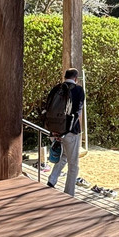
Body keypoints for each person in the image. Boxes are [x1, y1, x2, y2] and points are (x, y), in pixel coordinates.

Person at [46, 68, 85, 196]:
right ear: (76, 78)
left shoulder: (56, 89)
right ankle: (69, 193)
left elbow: (47, 109)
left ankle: (52, 180)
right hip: (70, 132)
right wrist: (70, 130)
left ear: (65, 76)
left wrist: (54, 131)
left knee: (63, 156)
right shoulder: (78, 90)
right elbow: (77, 112)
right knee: (73, 165)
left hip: (54, 130)